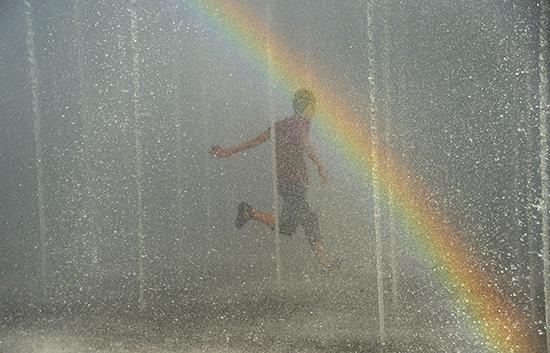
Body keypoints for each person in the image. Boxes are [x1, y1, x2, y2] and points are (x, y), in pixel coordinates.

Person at [209, 89, 338, 271]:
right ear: (309, 106)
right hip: (295, 181)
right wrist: (319, 165)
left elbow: (256, 141)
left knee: (306, 221)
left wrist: (228, 151)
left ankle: (325, 264)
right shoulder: (303, 122)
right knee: (290, 225)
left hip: (285, 182)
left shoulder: (281, 124)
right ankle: (250, 212)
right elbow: (304, 143)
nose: (314, 112)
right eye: (314, 107)